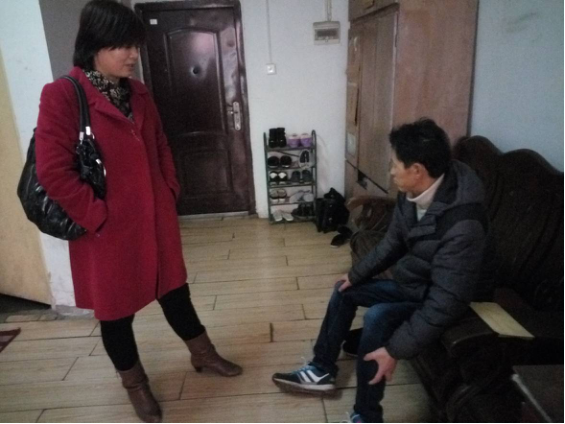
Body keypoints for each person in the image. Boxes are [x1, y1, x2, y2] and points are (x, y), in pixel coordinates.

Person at [34, 1, 241, 422]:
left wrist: (169, 188)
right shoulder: (63, 95)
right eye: (122, 46)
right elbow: (53, 171)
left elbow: (160, 143)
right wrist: (97, 216)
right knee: (116, 313)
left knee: (174, 289)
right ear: (94, 44)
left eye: (135, 45)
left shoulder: (138, 92)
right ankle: (136, 385)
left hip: (155, 218)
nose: (133, 55)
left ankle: (203, 353)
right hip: (106, 230)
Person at [272, 118, 488, 423]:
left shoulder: (463, 224)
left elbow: (447, 301)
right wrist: (355, 274)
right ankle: (321, 370)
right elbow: (393, 242)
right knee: (344, 290)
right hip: (414, 283)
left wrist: (395, 349)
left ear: (417, 170)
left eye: (395, 165)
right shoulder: (413, 192)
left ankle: (367, 415)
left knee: (377, 316)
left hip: (440, 298)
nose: (391, 171)